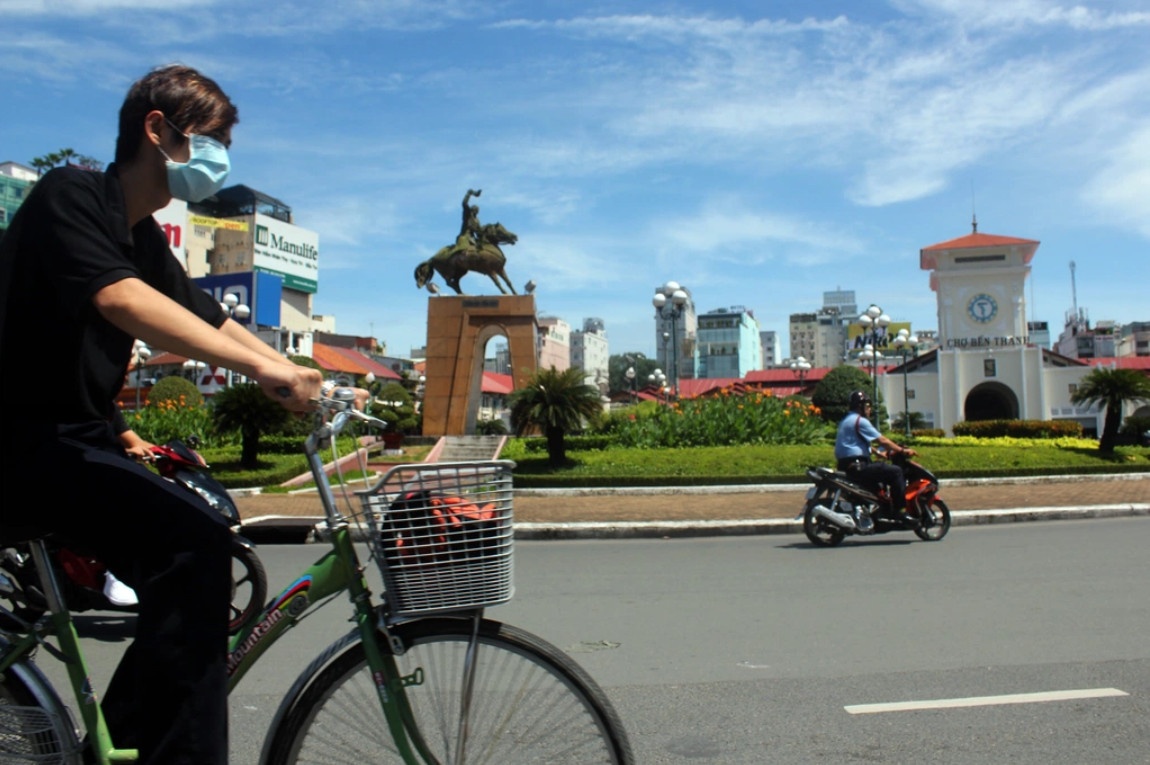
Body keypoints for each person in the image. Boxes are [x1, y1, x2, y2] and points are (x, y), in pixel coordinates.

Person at [0, 64, 323, 764]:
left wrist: (293, 366)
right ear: (157, 130)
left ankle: (118, 744)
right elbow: (123, 302)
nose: (221, 160)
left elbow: (202, 316)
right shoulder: (71, 196)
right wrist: (265, 368)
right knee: (194, 551)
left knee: (207, 538)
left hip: (78, 438)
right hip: (23, 444)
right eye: (211, 139)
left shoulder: (142, 236)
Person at [834, 390, 917, 524]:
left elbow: (855, 443)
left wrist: (878, 453)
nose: (869, 409)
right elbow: (882, 441)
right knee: (896, 472)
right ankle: (900, 511)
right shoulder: (860, 421)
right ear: (860, 406)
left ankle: (877, 511)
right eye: (867, 405)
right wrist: (902, 450)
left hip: (847, 465)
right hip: (859, 466)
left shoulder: (846, 420)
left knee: (878, 483)